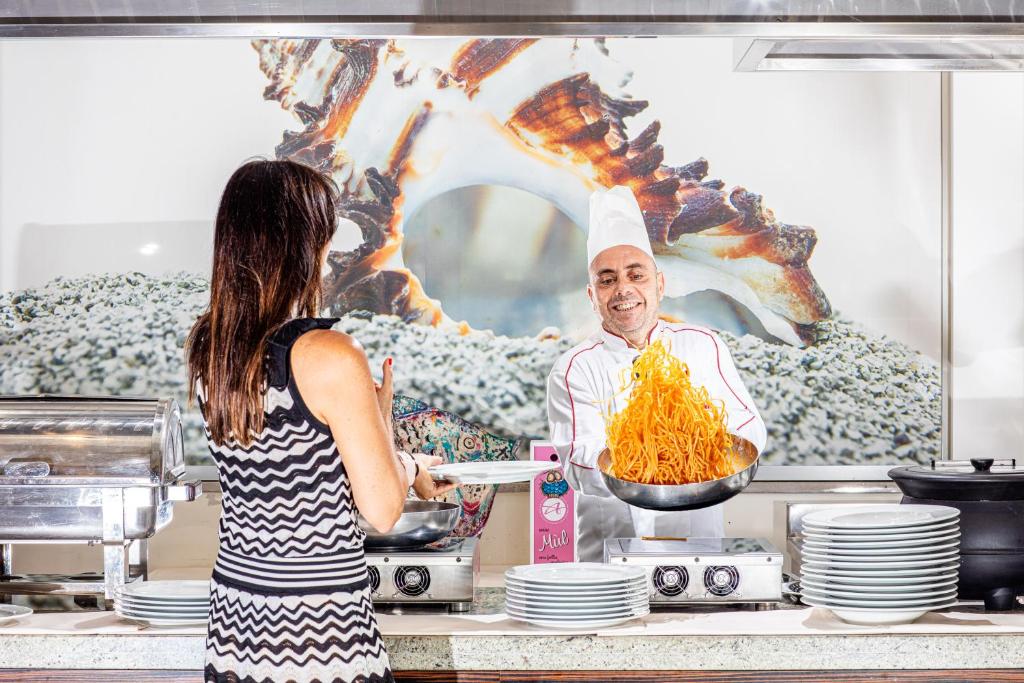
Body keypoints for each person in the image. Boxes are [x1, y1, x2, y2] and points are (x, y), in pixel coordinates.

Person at [186, 159, 455, 683]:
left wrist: (371, 423)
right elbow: (380, 509)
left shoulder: (209, 350)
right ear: (309, 245)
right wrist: (407, 459)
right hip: (319, 641)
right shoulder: (329, 353)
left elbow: (291, 474)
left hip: (235, 634)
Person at [546, 185, 767, 562]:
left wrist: (697, 449)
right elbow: (579, 462)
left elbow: (748, 426)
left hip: (700, 553)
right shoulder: (573, 368)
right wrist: (657, 458)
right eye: (607, 279)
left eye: (636, 275)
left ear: (660, 284)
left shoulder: (702, 344)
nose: (623, 289)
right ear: (591, 295)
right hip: (610, 562)